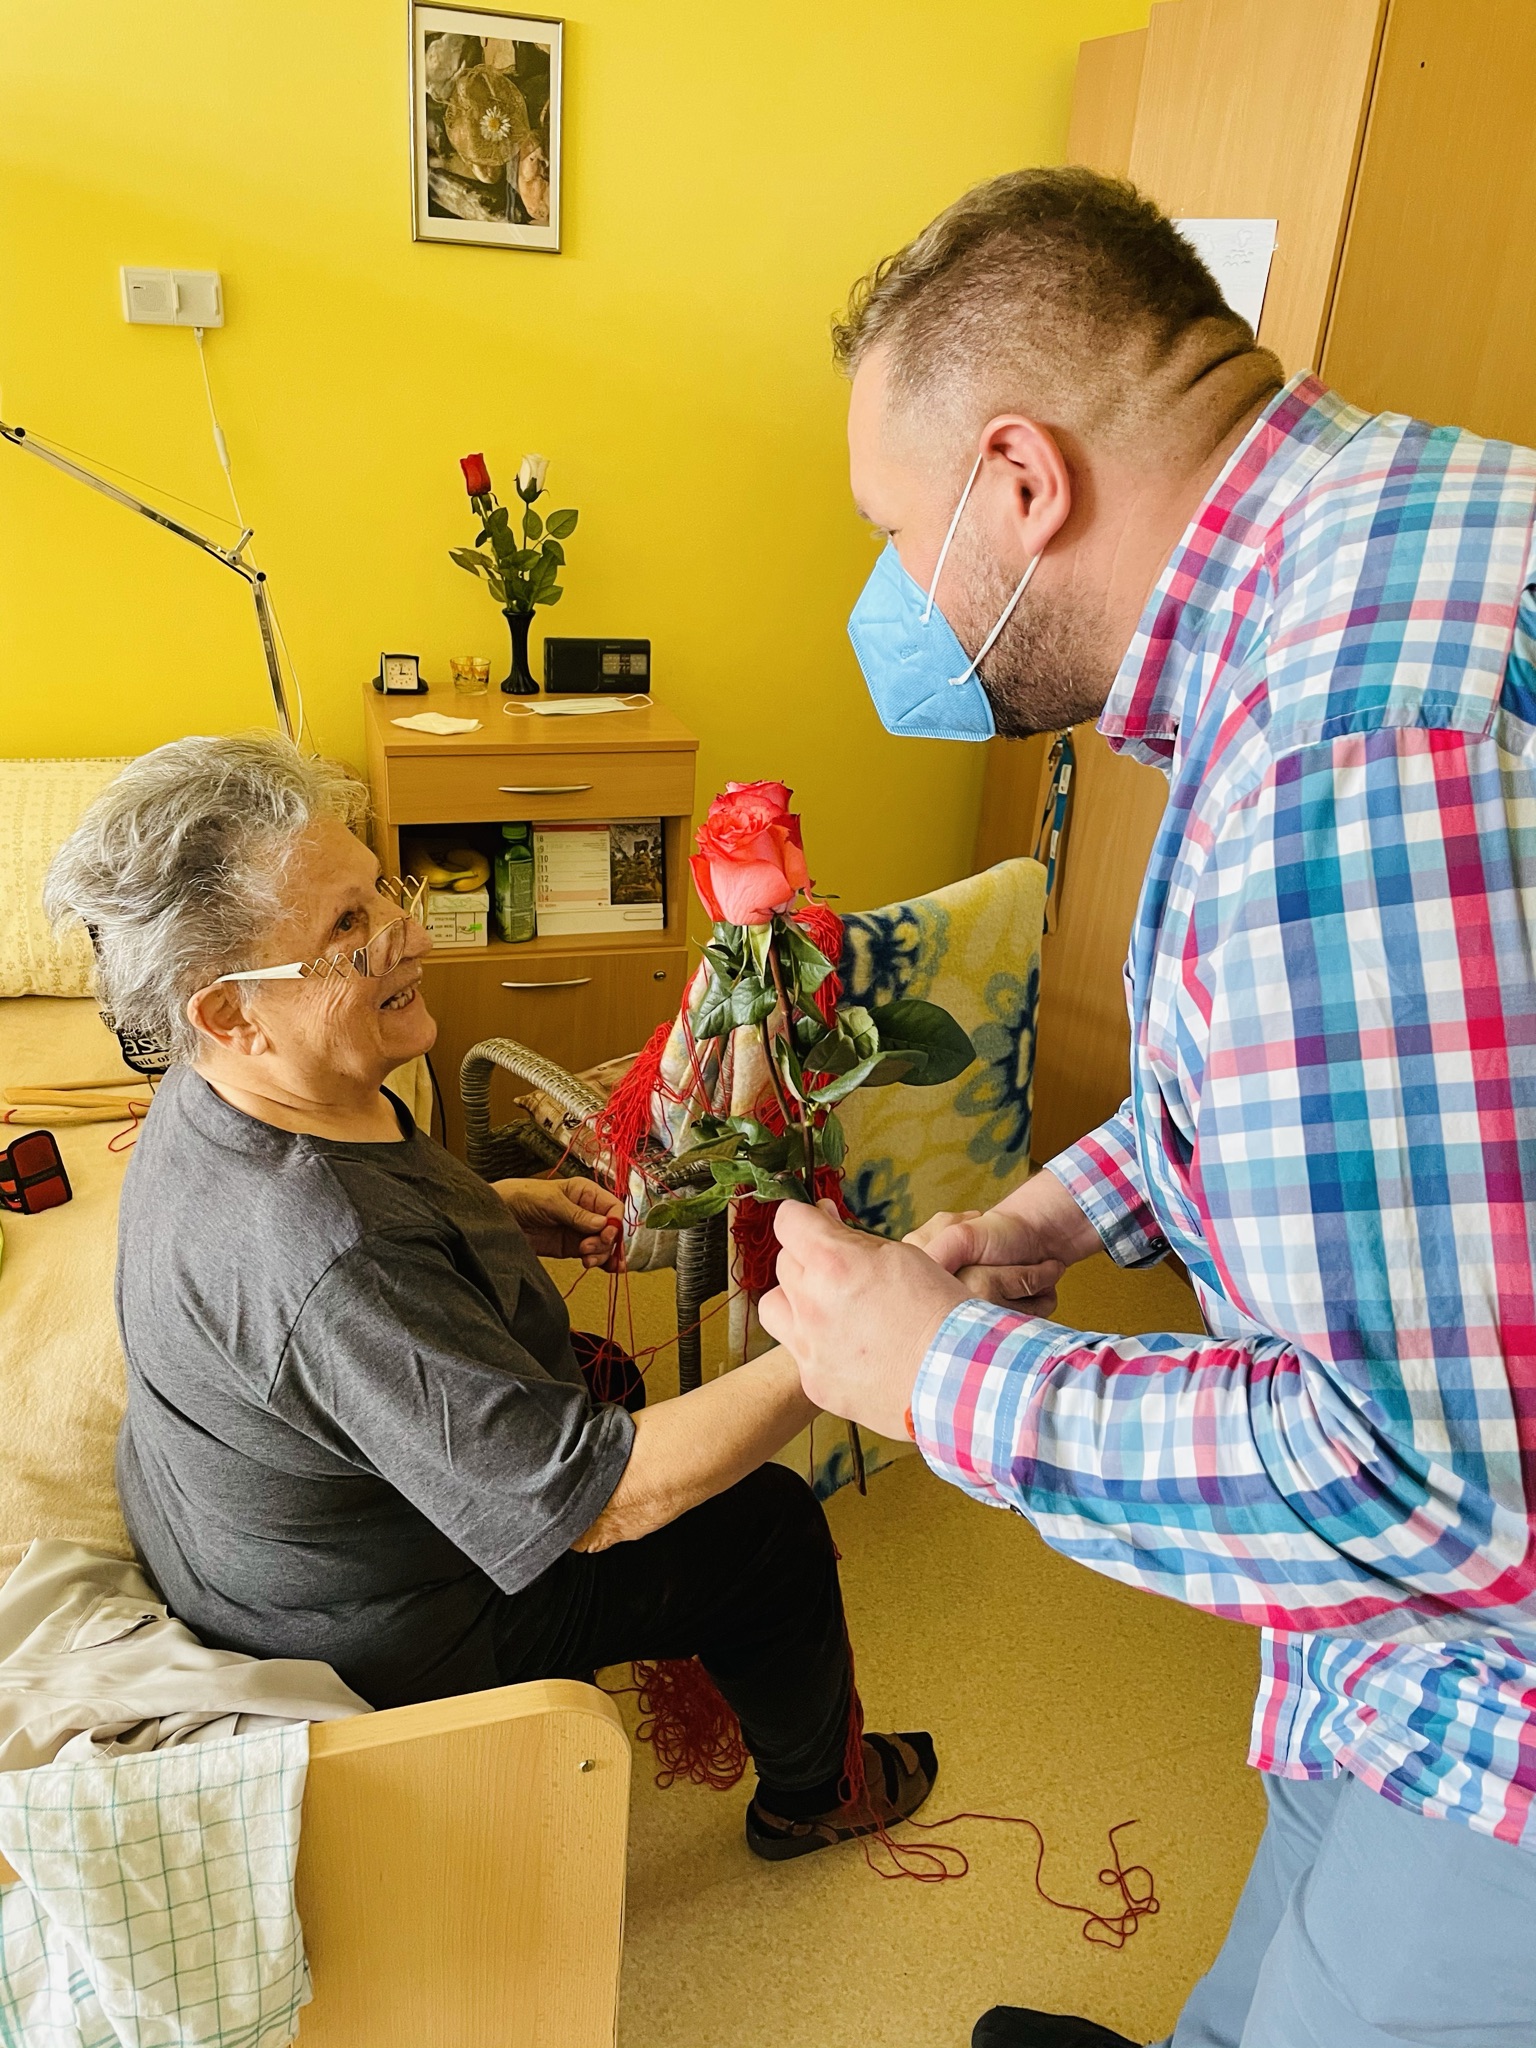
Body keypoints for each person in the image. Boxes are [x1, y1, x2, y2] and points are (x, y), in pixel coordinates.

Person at [761, 167, 1536, 2042]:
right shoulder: (1398, 537)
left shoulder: (1352, 748)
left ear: (1021, 482)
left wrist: (937, 1377)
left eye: (895, 534)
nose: (892, 596)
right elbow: (1286, 1085)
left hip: (1493, 1698)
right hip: (1371, 1660)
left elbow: (1422, 1480)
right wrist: (1057, 1213)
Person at [45, 734, 935, 1861]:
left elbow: (361, 1246)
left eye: (382, 889)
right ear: (230, 1012)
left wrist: (493, 1211)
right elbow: (597, 1503)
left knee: (596, 1371)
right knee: (764, 1526)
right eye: (351, 928)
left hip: (242, 1533)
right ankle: (815, 1797)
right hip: (371, 1633)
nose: (408, 931)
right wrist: (839, 1348)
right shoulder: (326, 1250)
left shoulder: (226, 1086)